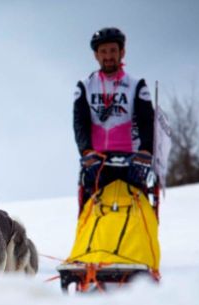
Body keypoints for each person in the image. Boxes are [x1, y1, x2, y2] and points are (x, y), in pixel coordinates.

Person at [73, 27, 155, 212]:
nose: (108, 56)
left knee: (135, 213)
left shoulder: (137, 85)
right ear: (96, 55)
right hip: (97, 161)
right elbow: (80, 123)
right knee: (93, 215)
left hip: (132, 161)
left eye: (113, 51)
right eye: (103, 51)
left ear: (122, 52)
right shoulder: (85, 86)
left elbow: (146, 121)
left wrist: (146, 151)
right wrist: (86, 151)